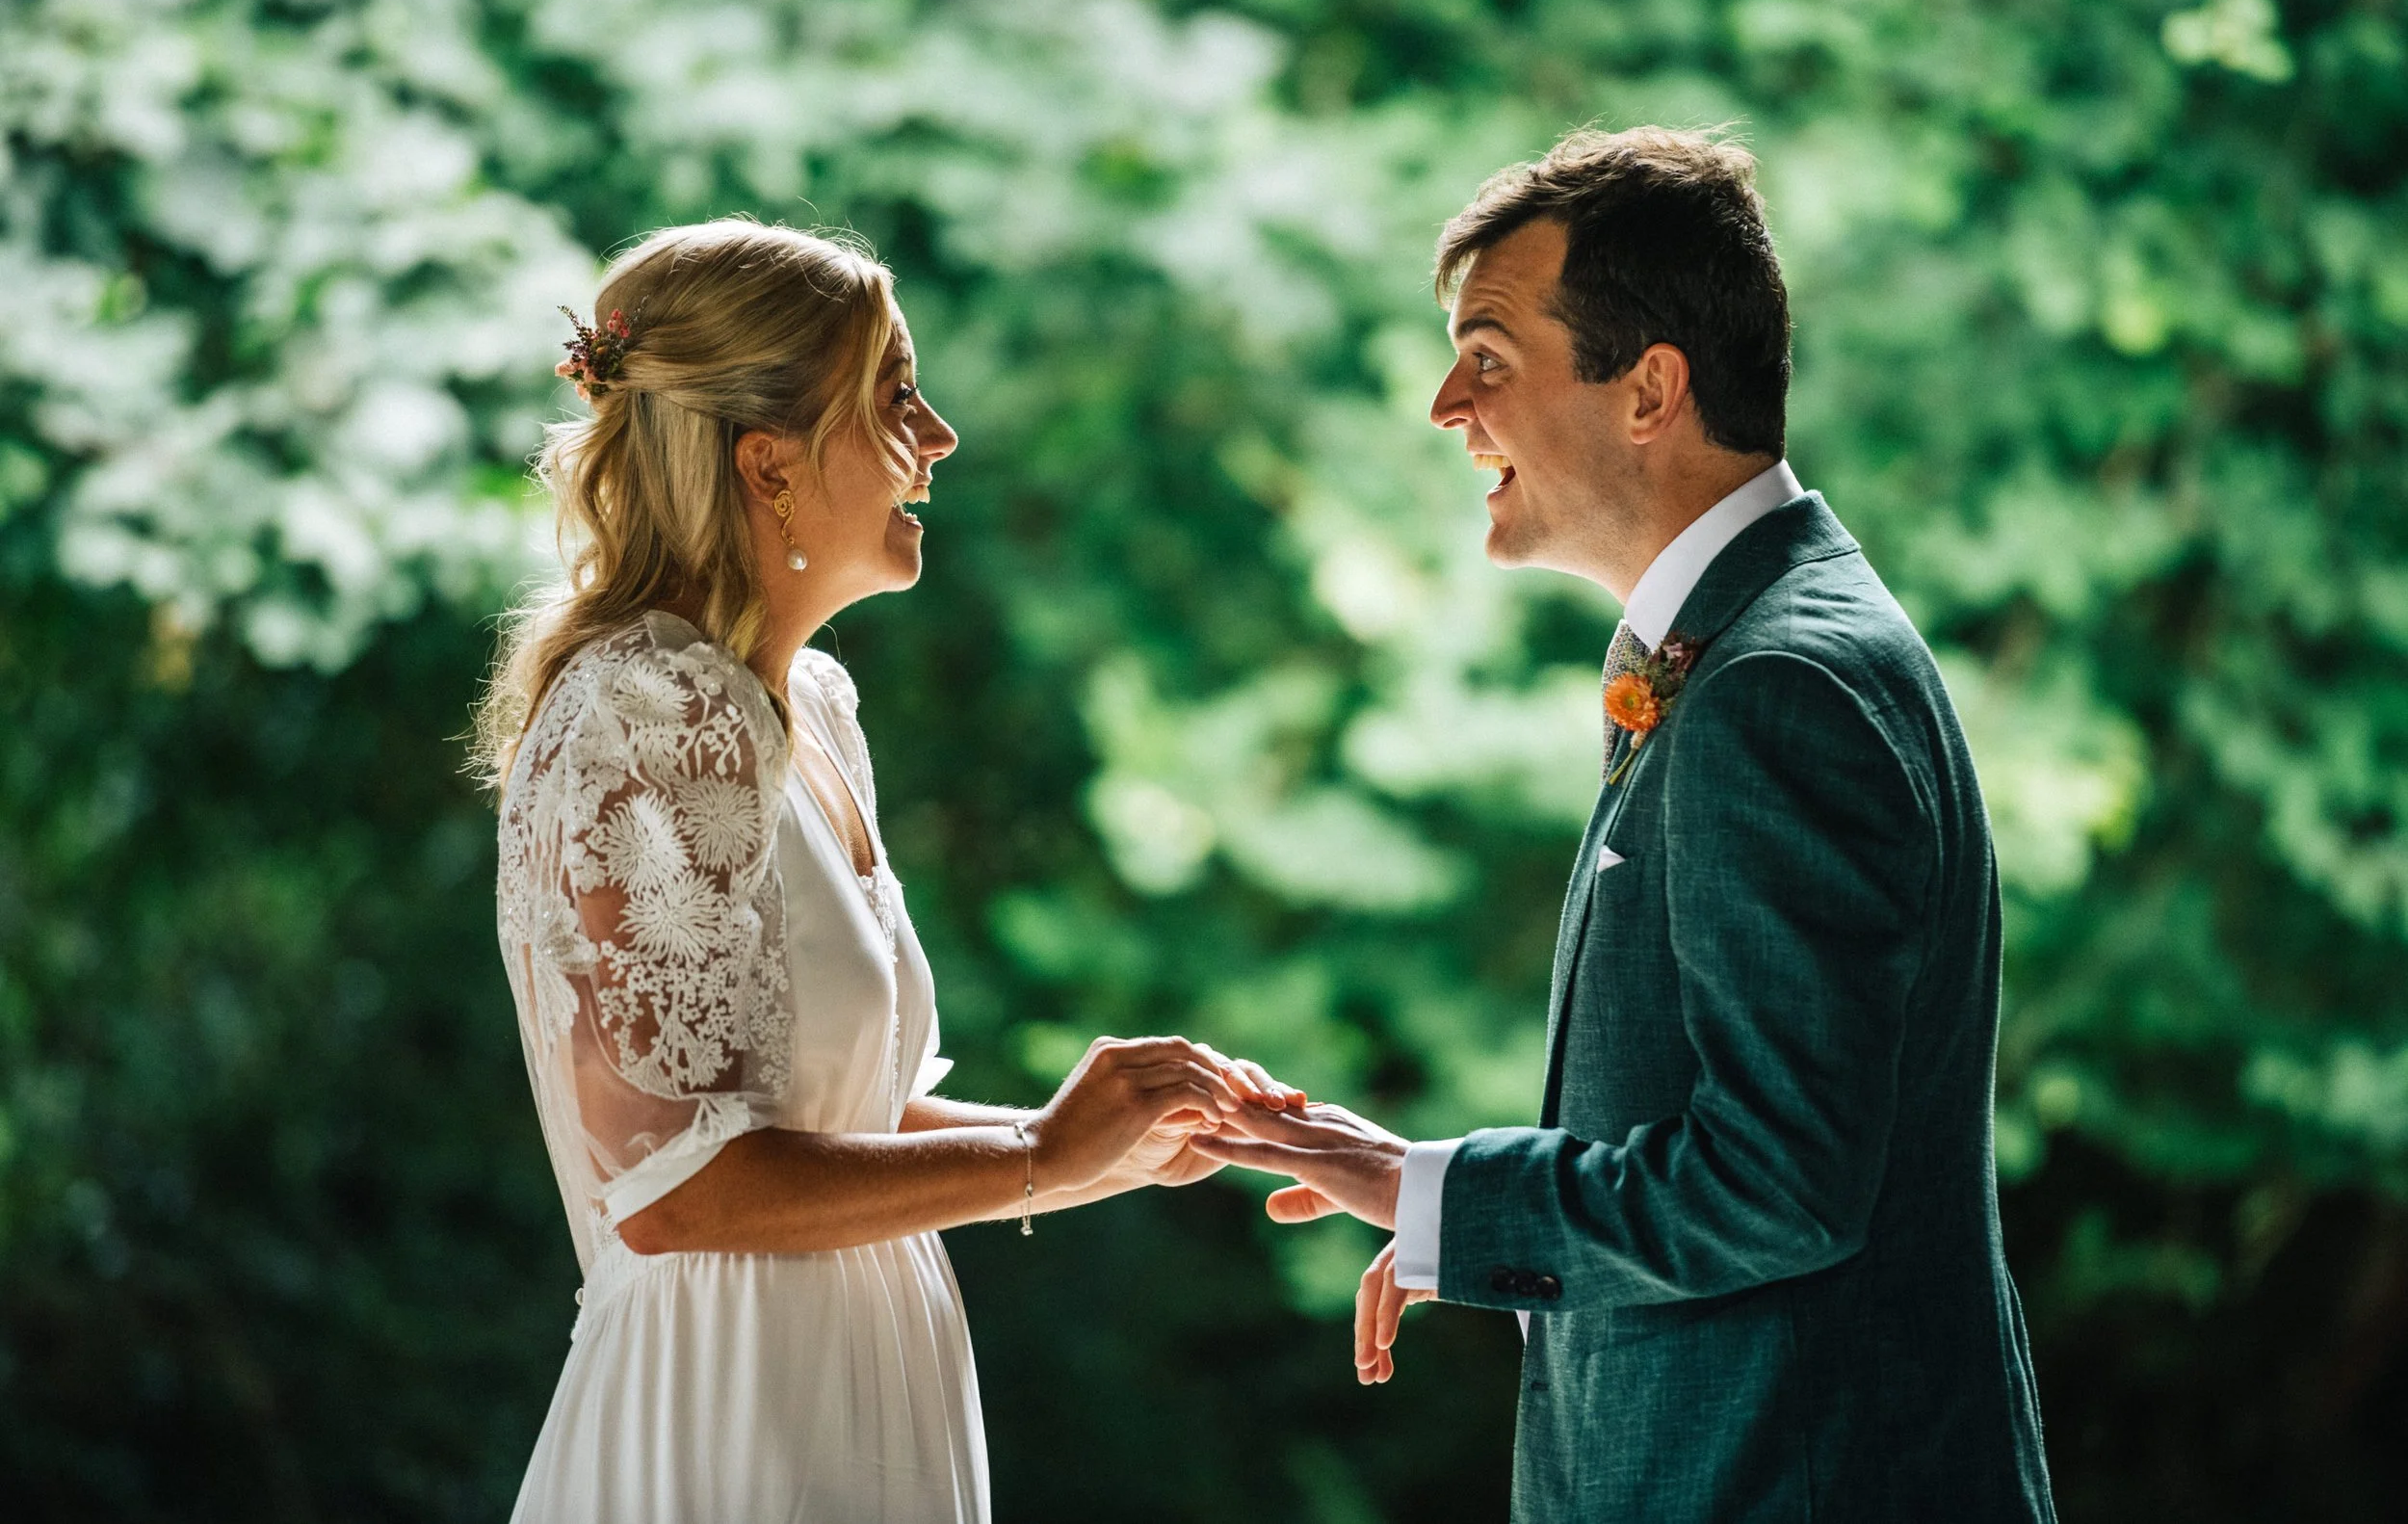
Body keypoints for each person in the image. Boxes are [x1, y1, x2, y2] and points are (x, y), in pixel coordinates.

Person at [1191, 128, 2059, 1523]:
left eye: (1488, 356)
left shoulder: (1779, 686)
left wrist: (1440, 1200)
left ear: (1650, 387)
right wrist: (1435, 1203)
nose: (1442, 405)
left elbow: (1776, 1181)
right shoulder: (1745, 644)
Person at [476, 221, 1300, 1523]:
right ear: (771, 464)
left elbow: (824, 1118)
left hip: (864, 1397)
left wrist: (1104, 1154)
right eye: (894, 397)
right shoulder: (643, 713)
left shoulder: (805, 712)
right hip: (731, 1420)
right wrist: (1034, 1147)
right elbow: (679, 1188)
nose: (942, 435)